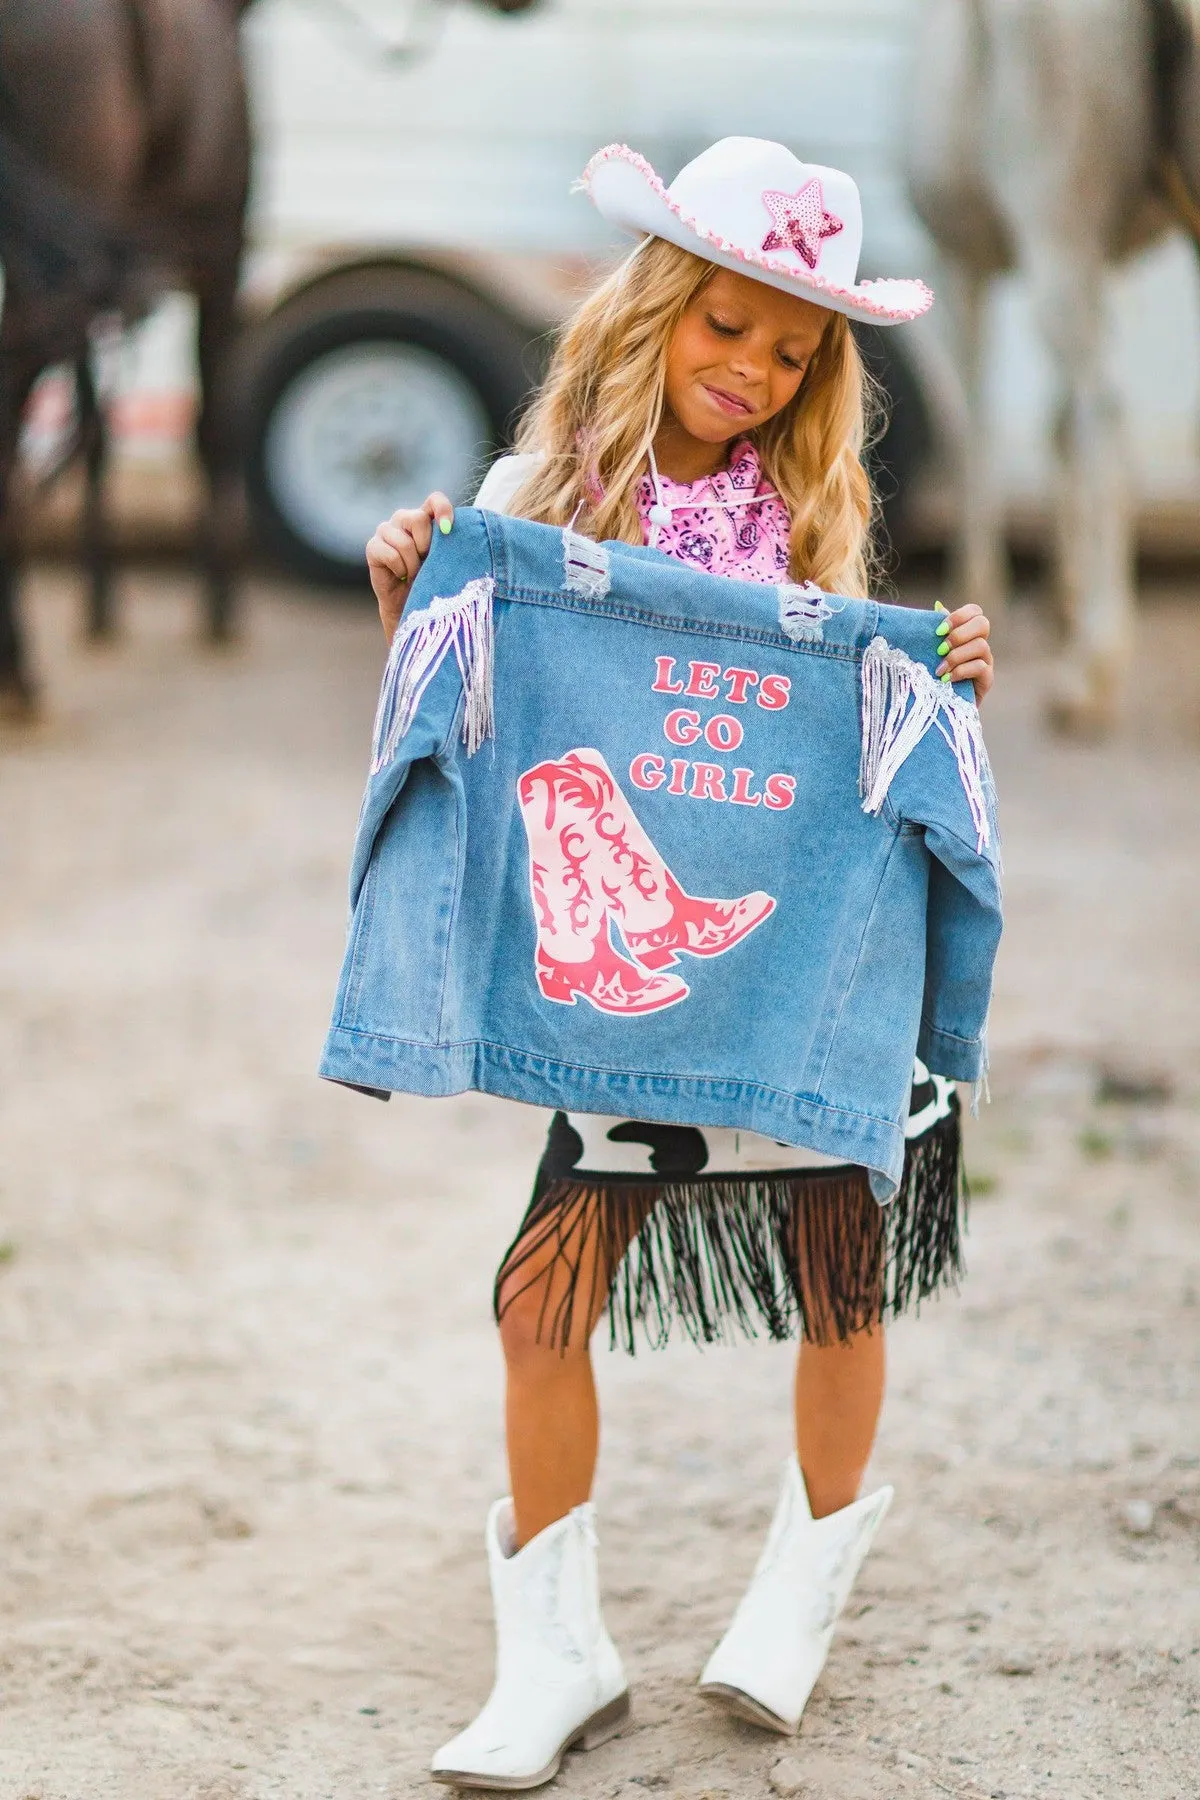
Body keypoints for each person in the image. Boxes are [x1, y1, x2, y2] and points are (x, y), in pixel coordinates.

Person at [365, 139, 995, 1791]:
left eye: (792, 355)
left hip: (793, 965)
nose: (754, 372)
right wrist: (408, 593)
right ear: (657, 307)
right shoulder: (537, 504)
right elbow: (480, 717)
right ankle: (555, 1652)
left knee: (841, 1267)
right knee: (540, 1294)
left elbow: (838, 738)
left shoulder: (806, 516)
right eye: (728, 329)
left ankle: (802, 1588)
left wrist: (943, 673)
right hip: (639, 990)